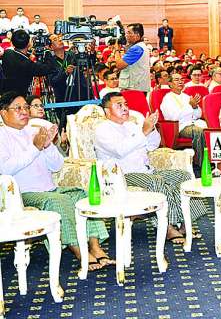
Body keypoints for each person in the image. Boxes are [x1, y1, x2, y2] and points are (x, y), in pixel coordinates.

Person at [0, 92, 113, 271]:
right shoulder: (2, 136)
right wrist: (35, 147)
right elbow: (5, 170)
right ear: (3, 112)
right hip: (23, 195)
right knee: (58, 201)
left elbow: (57, 165)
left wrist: (47, 147)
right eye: (18, 108)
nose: (24, 112)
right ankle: (81, 253)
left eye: (25, 108)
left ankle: (95, 247)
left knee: (80, 195)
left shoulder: (34, 131)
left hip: (50, 189)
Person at [93, 92, 206, 246]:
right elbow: (119, 150)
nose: (125, 108)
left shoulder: (131, 125)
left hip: (146, 170)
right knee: (156, 182)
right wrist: (143, 132)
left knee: (183, 176)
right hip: (123, 176)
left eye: (126, 104)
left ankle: (185, 222)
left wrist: (151, 130)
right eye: (119, 105)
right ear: (107, 111)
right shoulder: (102, 129)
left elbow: (152, 145)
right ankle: (166, 226)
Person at [159, 71, 208, 171]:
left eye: (182, 80)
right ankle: (200, 164)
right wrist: (190, 106)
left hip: (192, 123)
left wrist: (194, 107)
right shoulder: (167, 99)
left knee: (209, 129)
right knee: (198, 132)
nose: (180, 82)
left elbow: (198, 115)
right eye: (177, 80)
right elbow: (173, 117)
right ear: (170, 84)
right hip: (179, 127)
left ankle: (211, 160)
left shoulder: (186, 97)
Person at [0, 29, 63, 95]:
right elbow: (49, 68)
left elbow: (20, 55)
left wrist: (31, 53)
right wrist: (47, 51)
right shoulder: (28, 65)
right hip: (19, 98)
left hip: (5, 94)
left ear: (12, 43)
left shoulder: (7, 53)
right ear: (28, 44)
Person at [114, 23, 154, 92]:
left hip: (134, 89)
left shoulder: (136, 48)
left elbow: (119, 65)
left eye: (129, 33)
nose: (126, 35)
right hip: (138, 87)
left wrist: (116, 50)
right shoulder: (141, 46)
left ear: (137, 36)